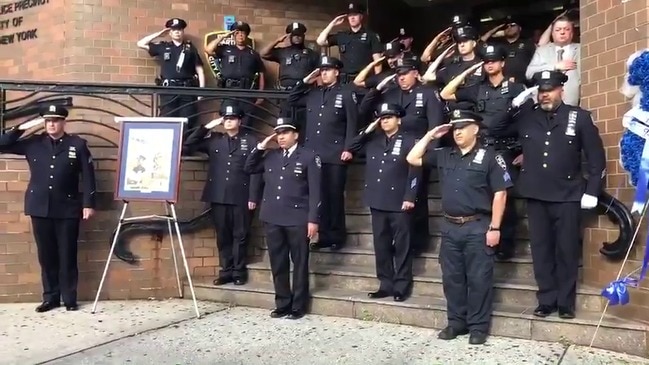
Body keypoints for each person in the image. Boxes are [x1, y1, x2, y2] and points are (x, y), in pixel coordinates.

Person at [406, 109, 511, 345]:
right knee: (452, 279)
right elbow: (412, 158)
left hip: (478, 226)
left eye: (463, 127)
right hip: (450, 227)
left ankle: (478, 327)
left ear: (475, 129)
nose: (458, 132)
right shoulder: (444, 155)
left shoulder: (490, 157)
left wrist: (495, 228)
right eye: (455, 128)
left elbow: (500, 194)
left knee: (479, 279)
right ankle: (456, 323)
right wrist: (431, 135)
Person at [512, 70, 606, 319]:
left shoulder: (579, 117)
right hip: (536, 194)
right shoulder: (527, 117)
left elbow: (596, 159)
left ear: (561, 90)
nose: (545, 95)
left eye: (549, 90)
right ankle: (546, 299)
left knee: (566, 250)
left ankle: (565, 302)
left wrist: (592, 191)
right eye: (541, 91)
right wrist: (518, 102)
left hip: (567, 195)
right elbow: (496, 126)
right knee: (541, 250)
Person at [0, 105, 96, 312]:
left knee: (67, 254)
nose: (52, 124)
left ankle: (70, 298)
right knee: (47, 255)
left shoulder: (77, 144)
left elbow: (88, 176)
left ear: (63, 122)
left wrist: (88, 204)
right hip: (39, 208)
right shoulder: (34, 144)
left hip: (68, 208)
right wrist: (24, 126)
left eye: (56, 120)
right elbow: (3, 144)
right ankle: (51, 298)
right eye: (48, 121)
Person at [440, 44, 527, 260]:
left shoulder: (516, 89)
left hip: (506, 148)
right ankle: (485, 240)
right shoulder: (477, 88)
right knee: (483, 197)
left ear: (502, 63)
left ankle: (504, 245)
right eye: (486, 61)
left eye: (494, 61)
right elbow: (446, 92)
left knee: (504, 196)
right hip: (483, 147)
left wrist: (527, 151)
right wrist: (469, 71)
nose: (490, 64)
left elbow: (528, 121)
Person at [359, 57, 445, 252]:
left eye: (405, 74)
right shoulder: (391, 94)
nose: (401, 78)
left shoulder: (429, 93)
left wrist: (430, 155)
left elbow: (435, 125)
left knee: (417, 197)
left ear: (415, 73)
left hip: (418, 150)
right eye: (398, 75)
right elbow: (366, 110)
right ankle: (399, 242)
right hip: (392, 150)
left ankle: (419, 242)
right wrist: (378, 89)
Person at [244, 118, 321, 320]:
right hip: (273, 217)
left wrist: (313, 220)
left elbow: (315, 192)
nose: (281, 137)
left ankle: (298, 305)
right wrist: (261, 146)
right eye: (278, 133)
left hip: (297, 217)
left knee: (300, 263)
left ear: (296, 135)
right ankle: (282, 303)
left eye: (285, 133)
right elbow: (249, 167)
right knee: (278, 263)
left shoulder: (308, 157)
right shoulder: (270, 156)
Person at [347, 103, 421, 301]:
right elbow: (352, 147)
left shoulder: (409, 141)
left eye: (389, 117)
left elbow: (415, 171)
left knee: (402, 245)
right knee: (381, 244)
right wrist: (369, 128)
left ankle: (402, 285)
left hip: (399, 201)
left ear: (398, 119)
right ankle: (386, 283)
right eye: (382, 117)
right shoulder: (373, 140)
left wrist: (410, 196)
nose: (385, 120)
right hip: (377, 200)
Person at [183, 104, 262, 286]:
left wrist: (253, 197)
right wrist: (208, 126)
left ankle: (238, 271)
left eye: (232, 118)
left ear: (239, 121)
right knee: (223, 235)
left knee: (240, 235)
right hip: (218, 196)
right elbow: (188, 145)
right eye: (225, 119)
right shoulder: (215, 140)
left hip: (241, 196)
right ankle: (226, 271)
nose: (228, 122)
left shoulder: (250, 141)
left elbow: (256, 171)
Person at [288, 56, 358, 250]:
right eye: (322, 70)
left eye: (328, 69)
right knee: (316, 195)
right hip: (313, 153)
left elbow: (352, 123)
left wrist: (349, 148)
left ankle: (336, 235)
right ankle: (323, 235)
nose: (324, 73)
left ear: (337, 72)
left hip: (335, 153)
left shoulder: (345, 93)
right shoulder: (313, 94)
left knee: (333, 195)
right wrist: (305, 81)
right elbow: (291, 99)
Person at [136, 18, 206, 137]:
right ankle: (167, 144)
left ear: (183, 32)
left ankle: (184, 148)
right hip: (169, 89)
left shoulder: (190, 49)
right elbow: (140, 44)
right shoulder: (163, 47)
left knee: (188, 118)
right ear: (170, 33)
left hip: (187, 89)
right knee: (167, 117)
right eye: (174, 30)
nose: (177, 32)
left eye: (179, 29)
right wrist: (159, 34)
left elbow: (199, 70)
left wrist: (201, 90)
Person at [260, 22, 320, 141]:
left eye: (299, 35)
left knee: (304, 124)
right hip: (285, 94)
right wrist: (278, 40)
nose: (297, 37)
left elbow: (318, 73)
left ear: (303, 37)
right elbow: (263, 53)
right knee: (285, 124)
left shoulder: (311, 54)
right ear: (290, 37)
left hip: (304, 94)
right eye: (294, 35)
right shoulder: (283, 51)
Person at [205, 21, 266, 126]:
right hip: (229, 92)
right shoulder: (225, 50)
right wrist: (224, 36)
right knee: (229, 120)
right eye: (237, 32)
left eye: (243, 32)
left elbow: (261, 73)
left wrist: (260, 94)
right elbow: (208, 49)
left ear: (247, 35)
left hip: (247, 92)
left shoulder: (253, 54)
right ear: (233, 35)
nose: (240, 35)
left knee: (246, 122)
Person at [316, 2, 383, 83]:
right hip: (345, 81)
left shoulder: (371, 36)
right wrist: (333, 23)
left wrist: (376, 81)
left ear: (361, 16)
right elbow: (320, 41)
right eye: (350, 15)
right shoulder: (342, 35)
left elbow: (377, 61)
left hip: (364, 79)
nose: (352, 18)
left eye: (355, 15)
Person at [525, 16, 581, 106]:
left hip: (572, 102)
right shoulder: (542, 51)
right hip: (545, 103)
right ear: (552, 34)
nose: (562, 32)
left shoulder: (581, 49)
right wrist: (554, 67)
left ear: (572, 33)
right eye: (558, 30)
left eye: (566, 29)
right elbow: (529, 73)